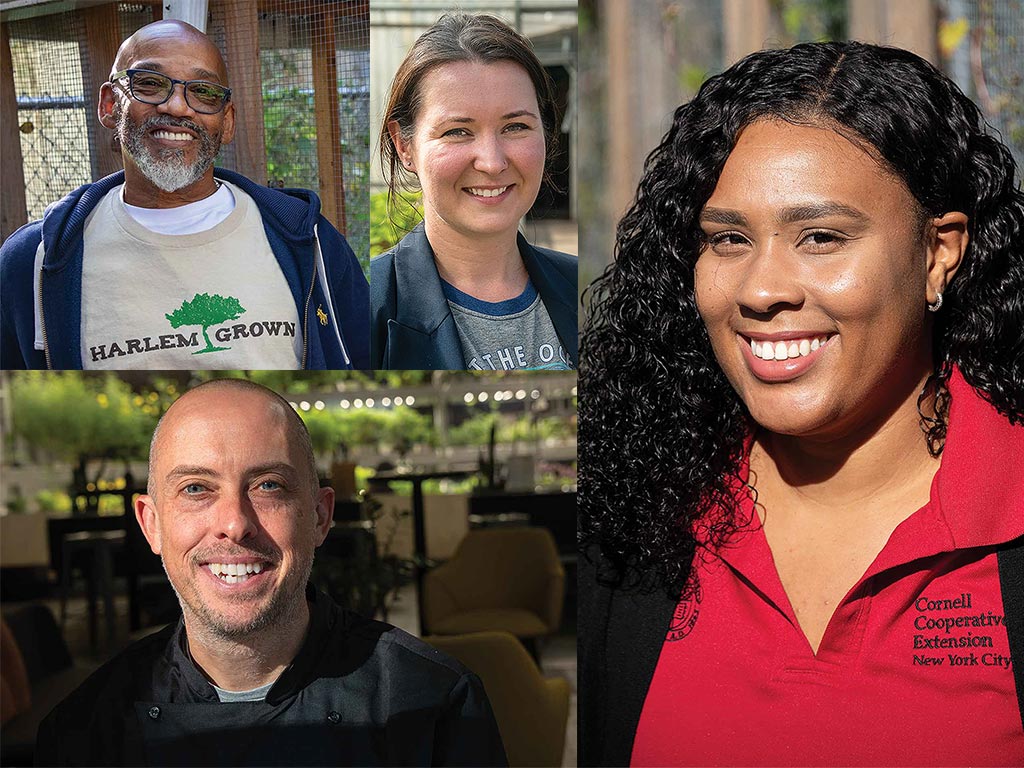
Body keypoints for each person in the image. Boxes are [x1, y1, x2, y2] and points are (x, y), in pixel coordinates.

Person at [578, 41, 1024, 766]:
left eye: (820, 237)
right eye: (728, 239)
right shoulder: (636, 525)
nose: (760, 289)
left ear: (939, 251)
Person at [34, 379, 506, 766]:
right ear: (151, 525)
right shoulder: (84, 730)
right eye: (196, 488)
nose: (234, 523)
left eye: (268, 485)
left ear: (320, 516)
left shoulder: (433, 704)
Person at [0, 20, 369, 370]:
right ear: (110, 105)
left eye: (203, 92)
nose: (176, 106)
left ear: (227, 122)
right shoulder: (34, 261)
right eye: (149, 83)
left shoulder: (309, 241)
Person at [371, 13, 577, 371]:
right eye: (457, 131)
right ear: (404, 146)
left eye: (515, 126)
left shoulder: (581, 284)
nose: (492, 162)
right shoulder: (365, 304)